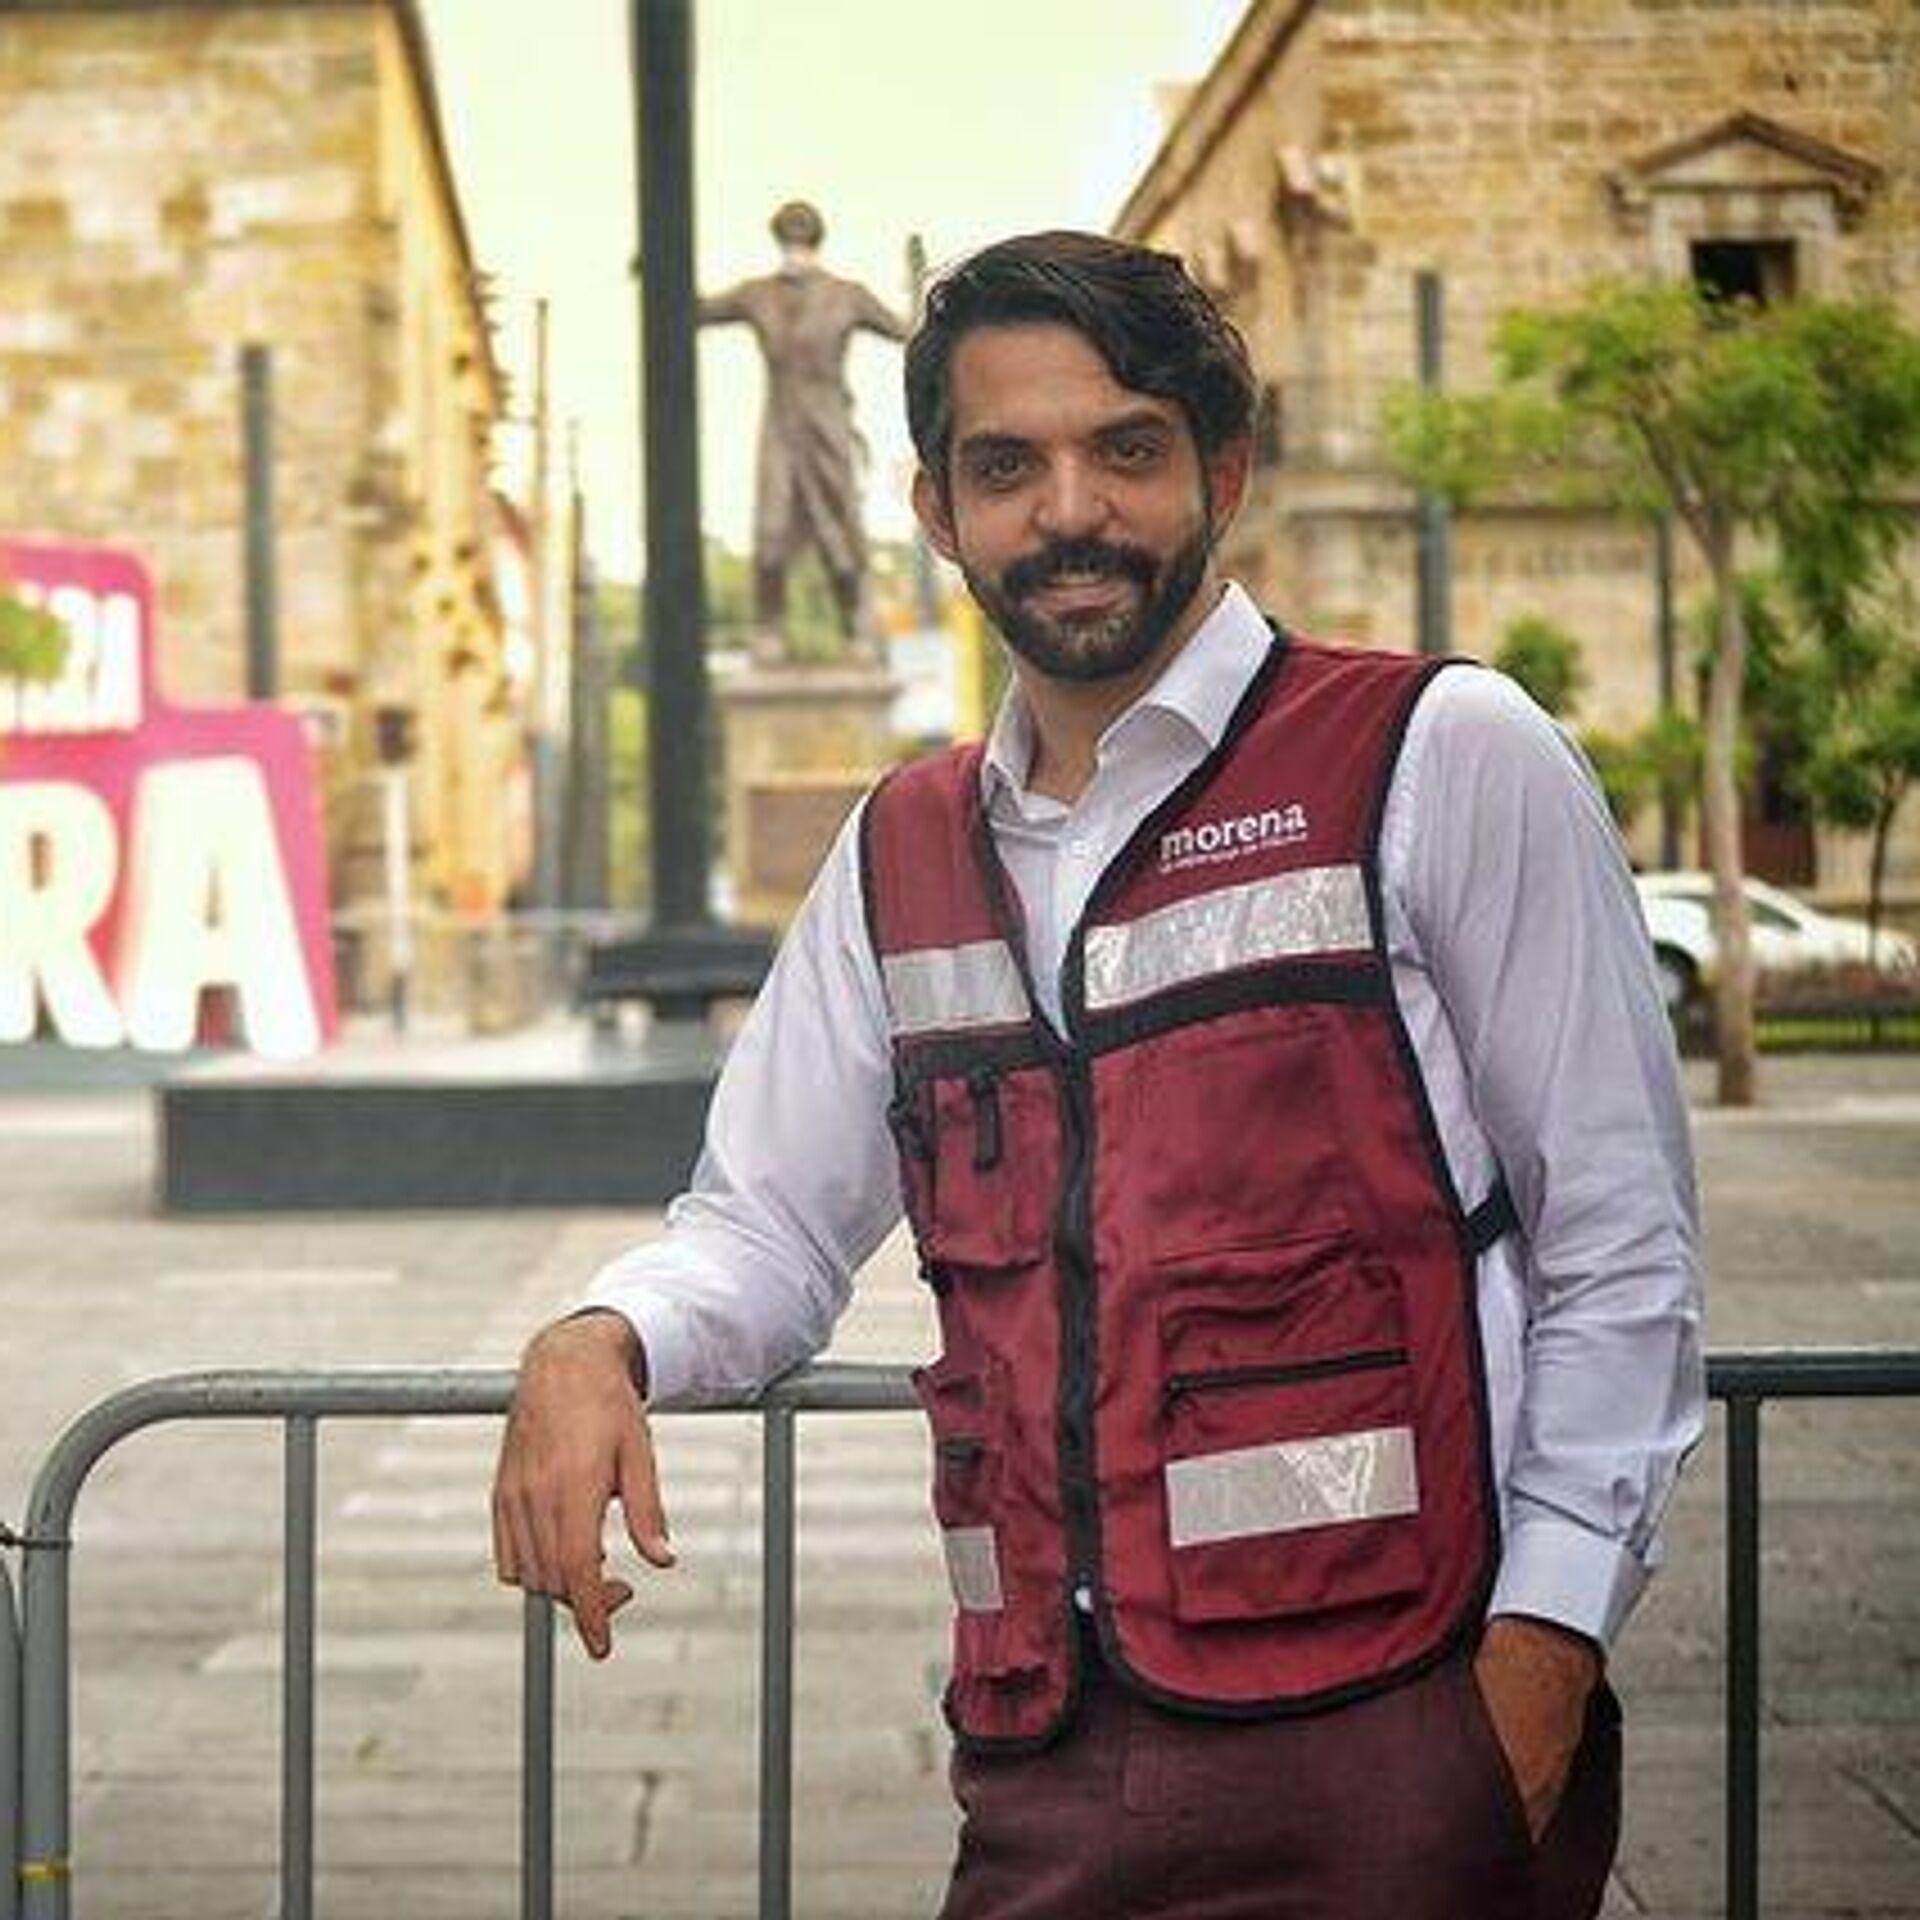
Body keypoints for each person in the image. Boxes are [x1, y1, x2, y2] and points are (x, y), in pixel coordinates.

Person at [493, 231, 1704, 1919]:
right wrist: (596, 1338)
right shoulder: (900, 851)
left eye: (1125, 449)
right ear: (937, 512)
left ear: (1225, 471)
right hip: (1044, 1759)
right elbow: (765, 1227)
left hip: (1402, 1731)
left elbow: (1619, 1240)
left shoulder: (1441, 756)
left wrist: (1545, 1653)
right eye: (1007, 467)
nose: (1069, 511)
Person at [699, 199, 910, 650]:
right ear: (779, 241)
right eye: (788, 238)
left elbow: (905, 330)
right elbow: (697, 311)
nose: (795, 249)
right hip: (780, 426)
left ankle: (856, 623)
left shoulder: (847, 295)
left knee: (840, 530)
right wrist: (659, 270)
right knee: (770, 528)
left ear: (815, 242)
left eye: (802, 238)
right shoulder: (757, 293)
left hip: (827, 425)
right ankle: (768, 629)